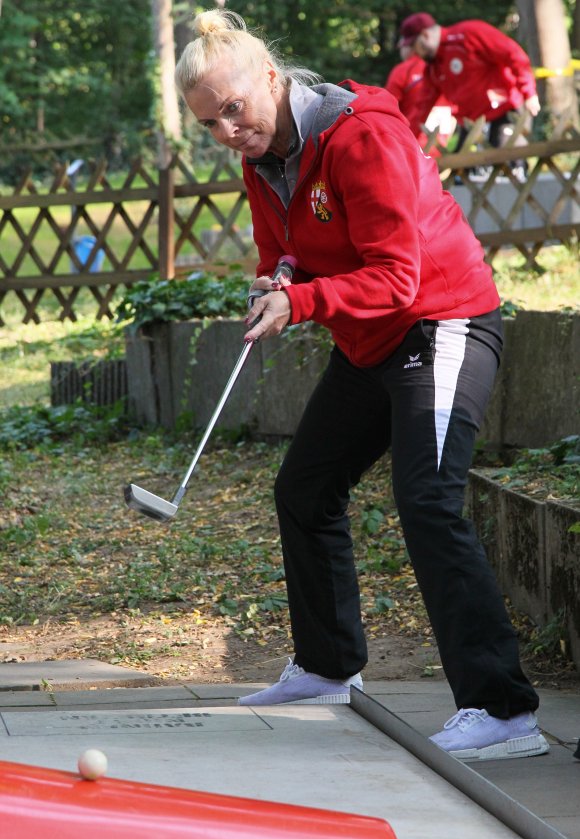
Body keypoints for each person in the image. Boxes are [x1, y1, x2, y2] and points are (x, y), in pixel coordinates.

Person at [174, 9, 549, 761]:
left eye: (233, 109)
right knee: (305, 490)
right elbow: (285, 251)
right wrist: (277, 278)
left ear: (271, 80)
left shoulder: (362, 134)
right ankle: (325, 668)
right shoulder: (264, 162)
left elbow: (398, 276)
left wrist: (301, 300)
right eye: (208, 123)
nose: (226, 132)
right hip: (371, 339)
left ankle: (503, 710)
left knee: (428, 498)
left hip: (442, 323)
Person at [397, 12, 540, 153]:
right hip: (471, 122)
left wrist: (529, 93)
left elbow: (513, 54)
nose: (415, 53)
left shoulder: (468, 35)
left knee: (510, 160)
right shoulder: (433, 69)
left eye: (414, 46)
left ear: (425, 35)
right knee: (461, 168)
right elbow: (421, 109)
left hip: (505, 111)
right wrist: (403, 140)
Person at [385, 45, 455, 153]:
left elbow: (387, 109)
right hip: (440, 152)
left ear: (410, 46)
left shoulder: (402, 70)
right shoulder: (445, 70)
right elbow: (454, 115)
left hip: (408, 149)